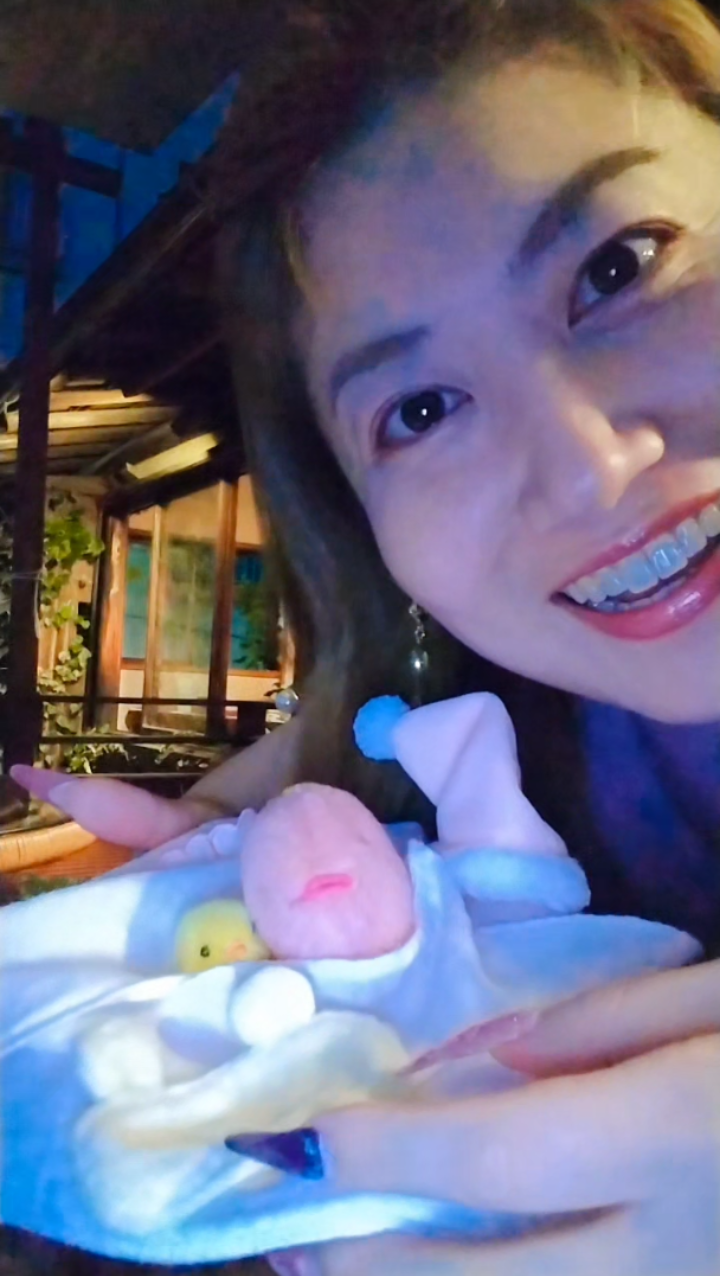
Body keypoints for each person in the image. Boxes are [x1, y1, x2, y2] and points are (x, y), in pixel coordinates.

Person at [13, 1, 720, 1271]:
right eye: (423, 408)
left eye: (621, 267)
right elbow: (245, 814)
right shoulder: (463, 719)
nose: (586, 467)